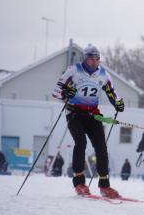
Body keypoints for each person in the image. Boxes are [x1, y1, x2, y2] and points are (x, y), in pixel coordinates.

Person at [52, 45, 125, 198]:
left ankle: (105, 186)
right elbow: (56, 92)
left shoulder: (104, 74)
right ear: (85, 59)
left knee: (101, 147)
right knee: (81, 143)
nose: (94, 62)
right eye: (90, 59)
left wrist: (117, 103)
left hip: (92, 115)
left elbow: (112, 92)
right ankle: (79, 183)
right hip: (74, 113)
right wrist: (66, 92)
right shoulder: (74, 70)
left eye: (96, 59)